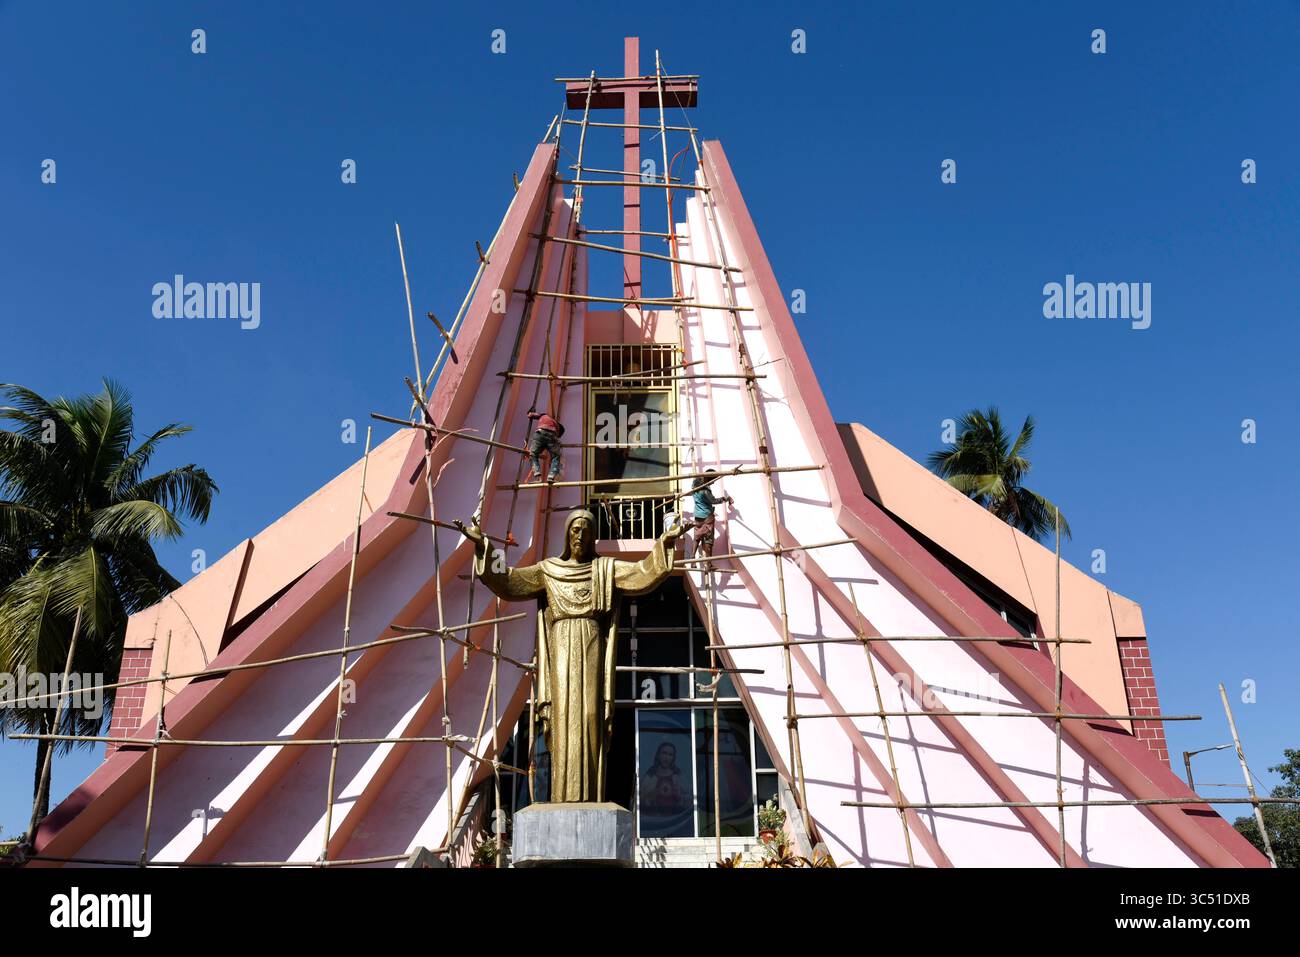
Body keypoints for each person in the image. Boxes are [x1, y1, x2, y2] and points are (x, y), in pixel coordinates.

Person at [690, 469, 732, 564]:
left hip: (697, 515)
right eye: (713, 480)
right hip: (707, 516)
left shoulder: (694, 484)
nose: (713, 483)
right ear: (709, 479)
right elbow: (713, 501)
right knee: (709, 539)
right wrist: (725, 499)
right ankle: (708, 563)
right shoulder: (705, 491)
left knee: (697, 537)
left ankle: (692, 558)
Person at [525, 408, 564, 482]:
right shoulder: (556, 427)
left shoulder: (544, 416)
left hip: (539, 433)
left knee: (533, 454)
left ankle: (538, 477)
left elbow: (532, 415)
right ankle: (551, 477)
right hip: (551, 436)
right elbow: (556, 440)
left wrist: (530, 414)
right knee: (555, 456)